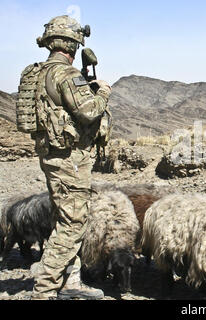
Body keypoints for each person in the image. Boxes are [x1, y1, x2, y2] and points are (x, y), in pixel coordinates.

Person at [24, 15, 112, 300]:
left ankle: (71, 282)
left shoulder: (36, 72)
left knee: (64, 219)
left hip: (51, 156)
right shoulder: (65, 74)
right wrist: (103, 92)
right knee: (73, 224)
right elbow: (88, 111)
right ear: (72, 43)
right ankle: (44, 290)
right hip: (70, 160)